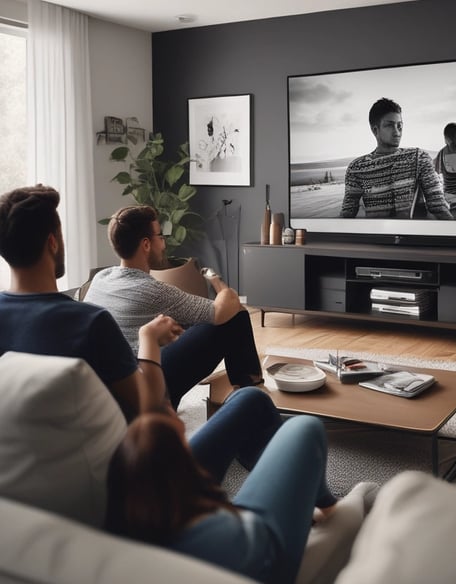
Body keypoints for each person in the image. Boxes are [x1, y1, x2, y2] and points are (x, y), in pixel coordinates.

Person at [0, 185, 178, 420]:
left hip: (20, 450)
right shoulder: (90, 321)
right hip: (114, 448)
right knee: (243, 401)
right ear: (53, 242)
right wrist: (149, 339)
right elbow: (149, 408)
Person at [106, 408, 338, 584]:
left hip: (238, 534)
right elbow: (249, 537)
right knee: (305, 426)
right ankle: (329, 505)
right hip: (265, 548)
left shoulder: (124, 526)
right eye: (184, 444)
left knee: (251, 399)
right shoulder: (220, 536)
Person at [84, 205, 263, 409]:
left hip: (110, 385)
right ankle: (248, 388)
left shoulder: (100, 278)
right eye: (160, 236)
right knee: (235, 316)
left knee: (179, 323)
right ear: (146, 245)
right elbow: (222, 311)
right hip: (144, 385)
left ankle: (247, 384)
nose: (164, 243)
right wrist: (216, 281)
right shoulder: (154, 291)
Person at [340, 97, 453, 220]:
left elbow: (438, 206)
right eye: (389, 125)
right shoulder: (357, 168)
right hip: (377, 236)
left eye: (399, 125)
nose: (397, 131)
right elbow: (347, 214)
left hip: (414, 235)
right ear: (375, 130)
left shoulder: (418, 158)